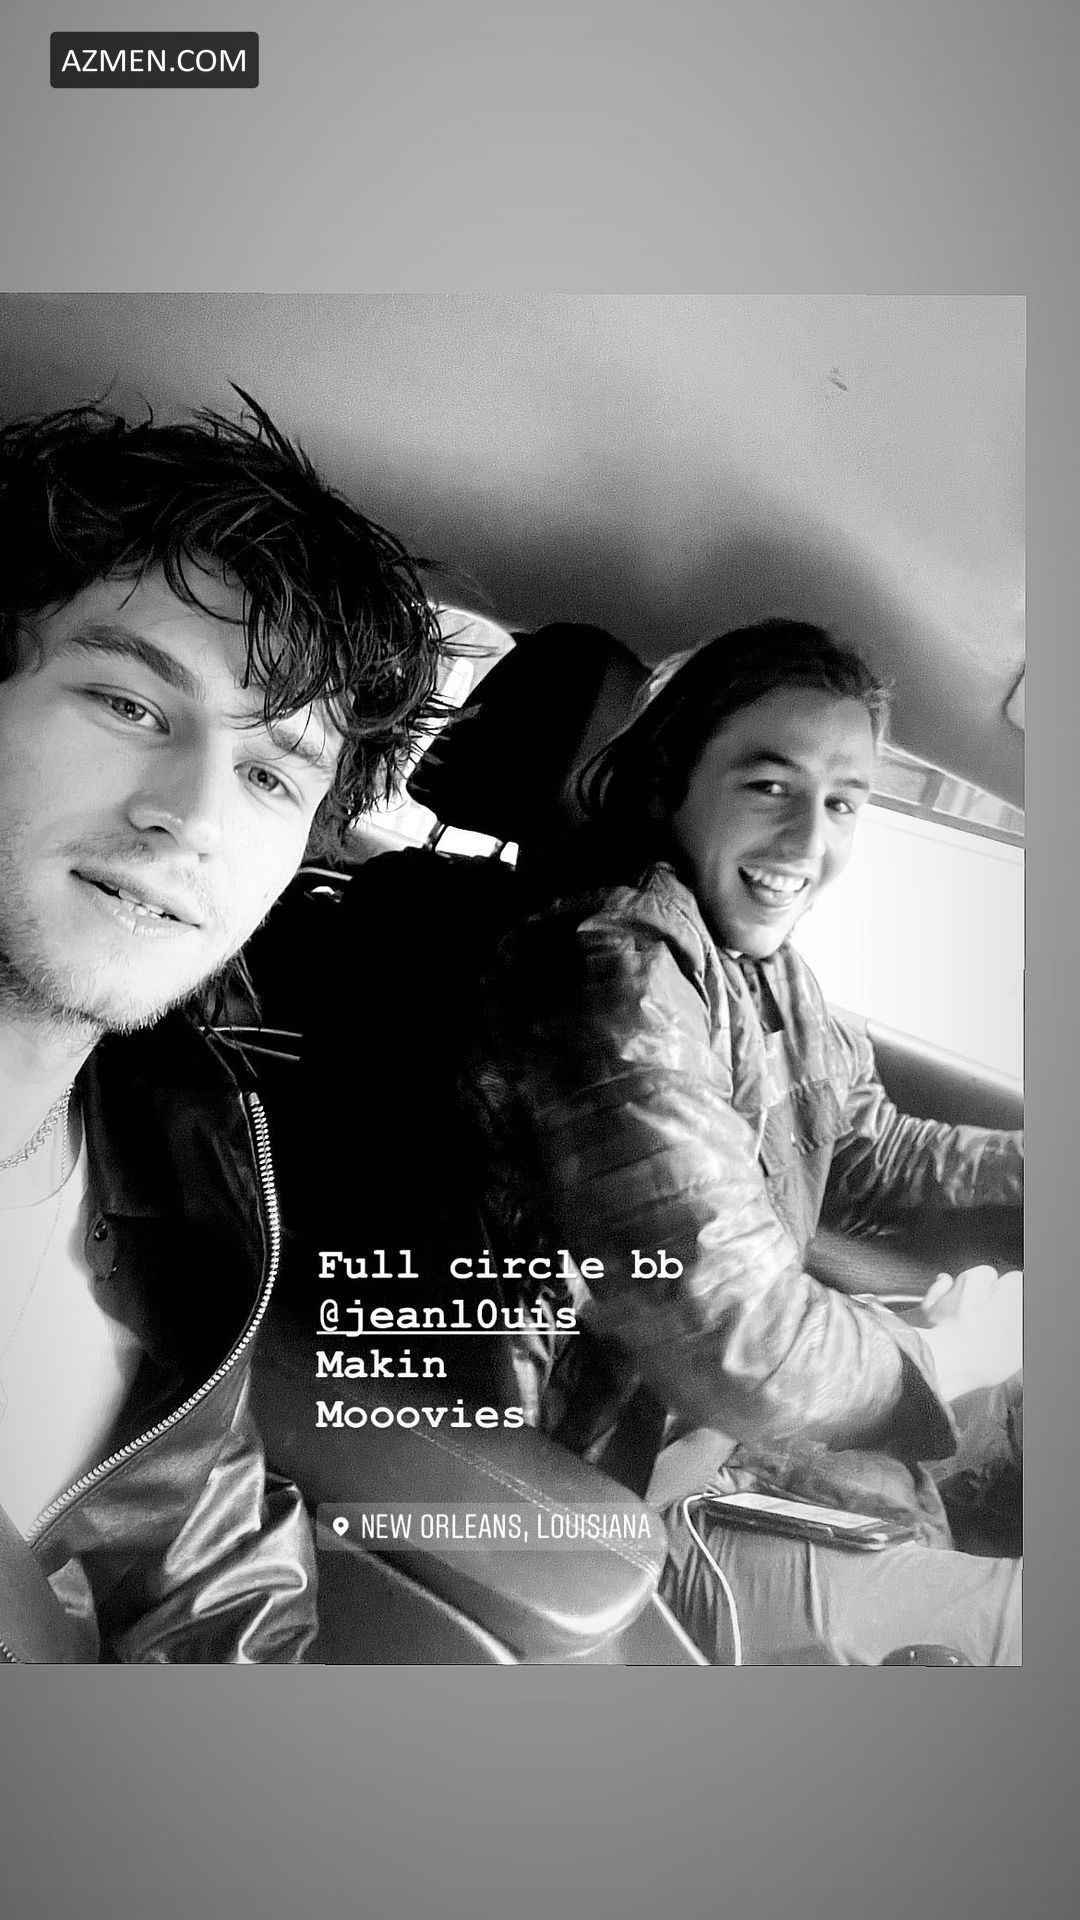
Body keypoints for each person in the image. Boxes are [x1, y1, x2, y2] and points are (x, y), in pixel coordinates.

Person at [468, 620, 1023, 1664]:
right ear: (671, 780)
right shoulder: (611, 967)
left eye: (844, 802)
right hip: (592, 1497)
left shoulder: (755, 964)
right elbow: (742, 1337)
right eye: (771, 786)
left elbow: (867, 1146)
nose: (810, 842)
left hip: (691, 1433)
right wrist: (949, 1357)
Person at [0, 394, 446, 1661]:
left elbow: (219, 1565)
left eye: (268, 775)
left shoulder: (178, 1154)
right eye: (130, 705)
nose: (192, 817)